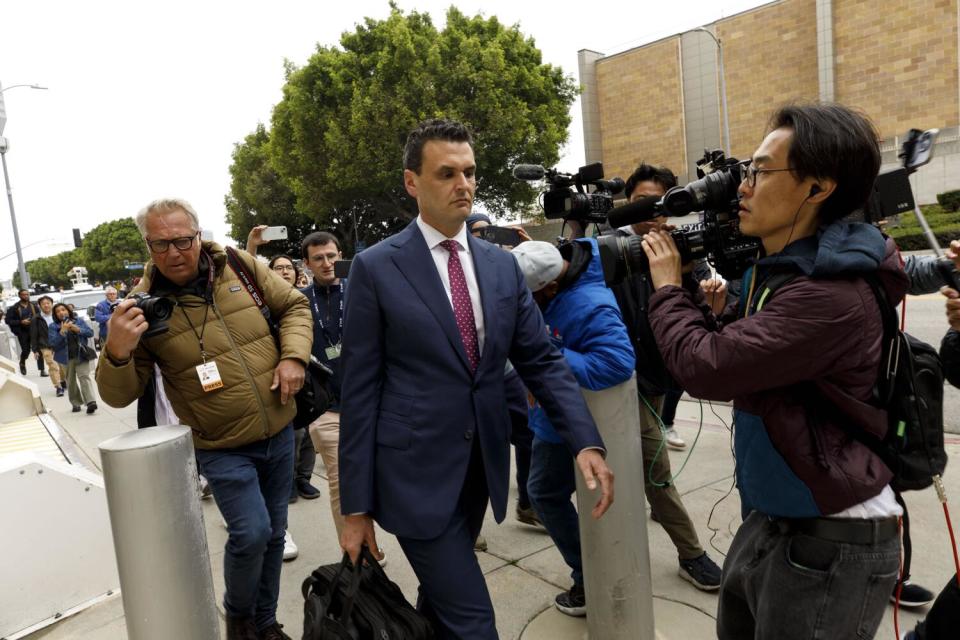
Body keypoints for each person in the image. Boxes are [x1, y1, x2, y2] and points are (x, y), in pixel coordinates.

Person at [338, 119, 614, 639]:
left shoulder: (500, 265)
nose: (463, 184)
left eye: (469, 172)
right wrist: (356, 509)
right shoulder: (376, 268)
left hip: (479, 468)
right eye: (446, 173)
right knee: (474, 622)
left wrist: (583, 440)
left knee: (439, 605)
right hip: (413, 475)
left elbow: (541, 360)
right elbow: (359, 391)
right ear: (412, 182)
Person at [641, 103, 908, 639]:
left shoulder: (829, 294)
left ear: (817, 188)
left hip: (832, 535)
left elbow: (706, 367)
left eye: (760, 172)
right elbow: (749, 354)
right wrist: (707, 309)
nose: (743, 186)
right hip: (779, 517)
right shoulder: (789, 270)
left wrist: (668, 288)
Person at [95, 198, 312, 640]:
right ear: (147, 246)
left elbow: (294, 307)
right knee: (251, 533)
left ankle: (266, 623)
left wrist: (294, 358)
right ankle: (240, 619)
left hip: (280, 429)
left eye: (182, 240)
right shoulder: (141, 308)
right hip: (220, 444)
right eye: (160, 244)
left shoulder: (241, 265)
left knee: (273, 535)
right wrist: (116, 349)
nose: (174, 252)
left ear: (198, 235)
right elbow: (118, 395)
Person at [605, 163, 724, 591]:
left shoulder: (681, 253)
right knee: (657, 472)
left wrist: (709, 299)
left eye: (659, 204)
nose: (651, 213)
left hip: (657, 380)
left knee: (646, 464)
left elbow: (697, 317)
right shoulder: (608, 250)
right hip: (617, 383)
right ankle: (692, 553)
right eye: (642, 202)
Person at [512, 239, 635, 616]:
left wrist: (543, 353)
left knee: (544, 494)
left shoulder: (590, 305)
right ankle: (592, 569)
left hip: (570, 421)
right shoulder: (560, 279)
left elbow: (617, 363)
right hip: (552, 412)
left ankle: (588, 576)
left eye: (527, 297)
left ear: (549, 287)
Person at [465, 213, 543, 546]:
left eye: (490, 231)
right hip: (469, 380)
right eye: (479, 232)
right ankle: (467, 524)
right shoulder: (457, 270)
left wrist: (529, 248)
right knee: (474, 449)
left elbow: (544, 282)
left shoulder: (505, 265)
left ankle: (527, 501)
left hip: (509, 372)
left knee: (528, 434)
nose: (486, 237)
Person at [300, 231, 348, 539]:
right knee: (342, 483)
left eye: (331, 256)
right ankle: (357, 554)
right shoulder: (298, 301)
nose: (327, 263)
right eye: (318, 258)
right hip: (327, 410)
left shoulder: (363, 290)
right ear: (306, 264)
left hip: (372, 402)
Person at [48, 302, 97, 413]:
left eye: (63, 310)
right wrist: (62, 331)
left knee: (84, 377)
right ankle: (76, 403)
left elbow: (90, 333)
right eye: (58, 311)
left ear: (68, 311)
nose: (61, 312)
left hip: (81, 354)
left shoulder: (78, 320)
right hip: (65, 357)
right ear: (55, 315)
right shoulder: (53, 326)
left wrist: (78, 329)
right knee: (71, 381)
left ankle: (91, 402)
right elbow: (53, 343)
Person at [31, 295, 66, 397]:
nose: (46, 305)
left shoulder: (59, 315)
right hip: (45, 345)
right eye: (43, 304)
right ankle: (58, 386)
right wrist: (35, 350)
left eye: (48, 303)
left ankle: (63, 380)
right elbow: (33, 335)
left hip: (60, 344)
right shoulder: (36, 319)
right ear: (40, 306)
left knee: (62, 365)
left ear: (52, 304)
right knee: (52, 365)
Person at [5, 289, 45, 376]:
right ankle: (22, 362)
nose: (26, 296)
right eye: (23, 295)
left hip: (35, 331)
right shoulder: (14, 308)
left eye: (27, 294)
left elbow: (40, 317)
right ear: (19, 296)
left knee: (38, 350)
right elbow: (8, 320)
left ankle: (42, 370)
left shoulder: (34, 306)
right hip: (22, 332)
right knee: (26, 351)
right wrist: (21, 322)